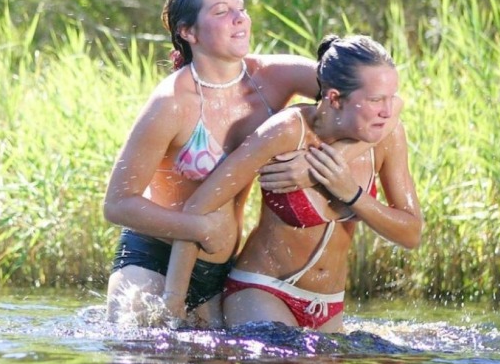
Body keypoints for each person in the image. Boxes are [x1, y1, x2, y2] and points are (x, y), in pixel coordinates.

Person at [103, 0, 383, 327]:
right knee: (148, 361)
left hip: (222, 269)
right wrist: (196, 228)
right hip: (154, 257)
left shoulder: (273, 77)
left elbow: (373, 99)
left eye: (241, 8)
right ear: (188, 32)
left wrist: (319, 167)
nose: (240, 18)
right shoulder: (171, 103)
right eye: (221, 11)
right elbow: (117, 203)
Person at [165, 34, 423, 332]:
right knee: (289, 358)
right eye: (376, 100)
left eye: (391, 97)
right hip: (262, 290)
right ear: (335, 98)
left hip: (329, 306)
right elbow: (199, 205)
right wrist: (173, 305)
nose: (388, 111)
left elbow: (411, 234)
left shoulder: (386, 136)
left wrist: (352, 195)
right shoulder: (287, 131)